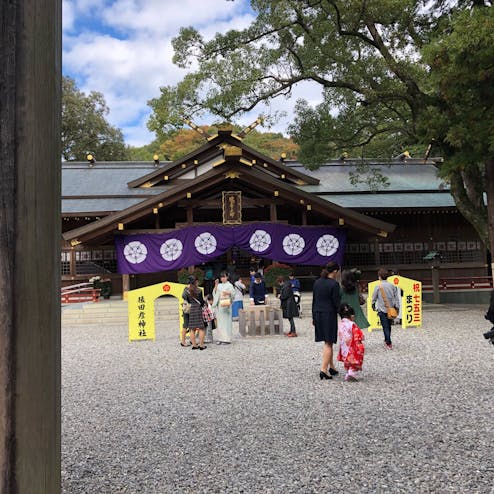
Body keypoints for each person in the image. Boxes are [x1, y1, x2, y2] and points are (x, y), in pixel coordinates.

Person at [312, 261, 341, 380]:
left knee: (327, 342)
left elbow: (314, 300)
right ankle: (323, 369)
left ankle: (332, 367)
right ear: (335, 271)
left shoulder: (317, 282)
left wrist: (313, 317)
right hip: (329, 314)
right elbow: (336, 303)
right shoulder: (334, 284)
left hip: (318, 313)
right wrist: (344, 315)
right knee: (329, 342)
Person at [371, 268, 400, 350]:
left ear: (379, 277)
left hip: (382, 309)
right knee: (389, 325)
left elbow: (374, 298)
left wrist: (373, 305)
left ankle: (388, 342)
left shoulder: (378, 286)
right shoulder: (392, 286)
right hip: (391, 309)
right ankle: (387, 339)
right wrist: (397, 307)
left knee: (385, 326)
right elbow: (396, 298)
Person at [337, 303, 365, 382]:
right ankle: (351, 372)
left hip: (344, 346)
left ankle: (348, 372)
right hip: (352, 345)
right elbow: (358, 334)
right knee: (354, 358)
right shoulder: (352, 324)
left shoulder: (340, 324)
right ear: (352, 316)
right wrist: (362, 337)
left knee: (347, 359)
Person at [182, 275, 207, 350]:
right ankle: (201, 345)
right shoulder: (199, 290)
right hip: (198, 309)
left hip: (192, 309)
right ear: (195, 282)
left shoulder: (187, 290)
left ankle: (194, 345)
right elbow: (201, 301)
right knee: (201, 328)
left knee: (192, 328)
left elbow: (185, 298)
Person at [212, 271, 235, 344]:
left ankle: (227, 339)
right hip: (220, 306)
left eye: (224, 277)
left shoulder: (230, 285)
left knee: (226, 323)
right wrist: (216, 285)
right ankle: (220, 338)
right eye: (221, 277)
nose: (223, 278)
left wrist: (229, 293)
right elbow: (215, 293)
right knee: (220, 323)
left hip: (226, 306)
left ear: (227, 277)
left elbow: (233, 294)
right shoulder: (219, 285)